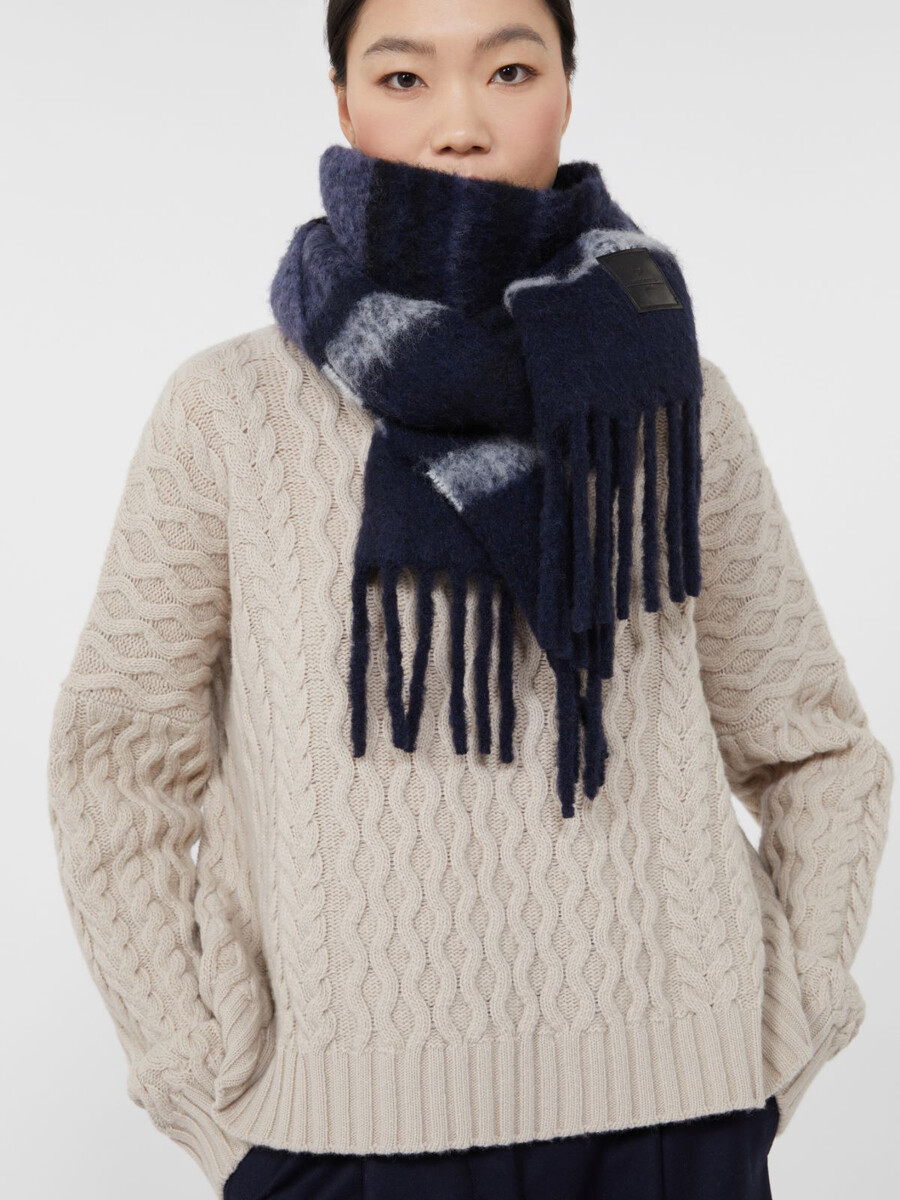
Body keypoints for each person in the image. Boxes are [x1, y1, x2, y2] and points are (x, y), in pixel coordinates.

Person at [46, 2, 892, 1198]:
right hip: (343, 1142)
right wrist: (201, 1084)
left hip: (677, 1126)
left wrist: (783, 1029)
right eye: (404, 77)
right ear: (343, 103)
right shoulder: (227, 413)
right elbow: (117, 762)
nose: (460, 122)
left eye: (509, 68)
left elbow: (813, 745)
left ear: (566, 91)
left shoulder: (665, 400)